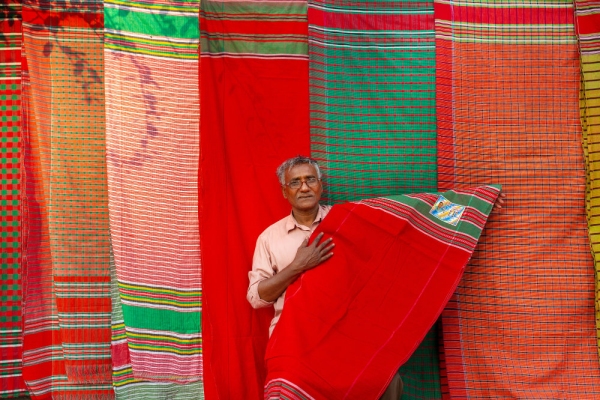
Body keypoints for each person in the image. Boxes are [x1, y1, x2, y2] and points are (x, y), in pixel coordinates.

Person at [247, 155, 505, 399]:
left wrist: (477, 205)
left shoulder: (350, 220)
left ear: (320, 185)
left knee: (387, 381)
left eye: (310, 179)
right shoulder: (270, 238)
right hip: (295, 342)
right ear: (284, 191)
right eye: (295, 182)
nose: (304, 187)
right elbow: (257, 298)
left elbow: (413, 216)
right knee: (287, 390)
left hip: (348, 332)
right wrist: (297, 266)